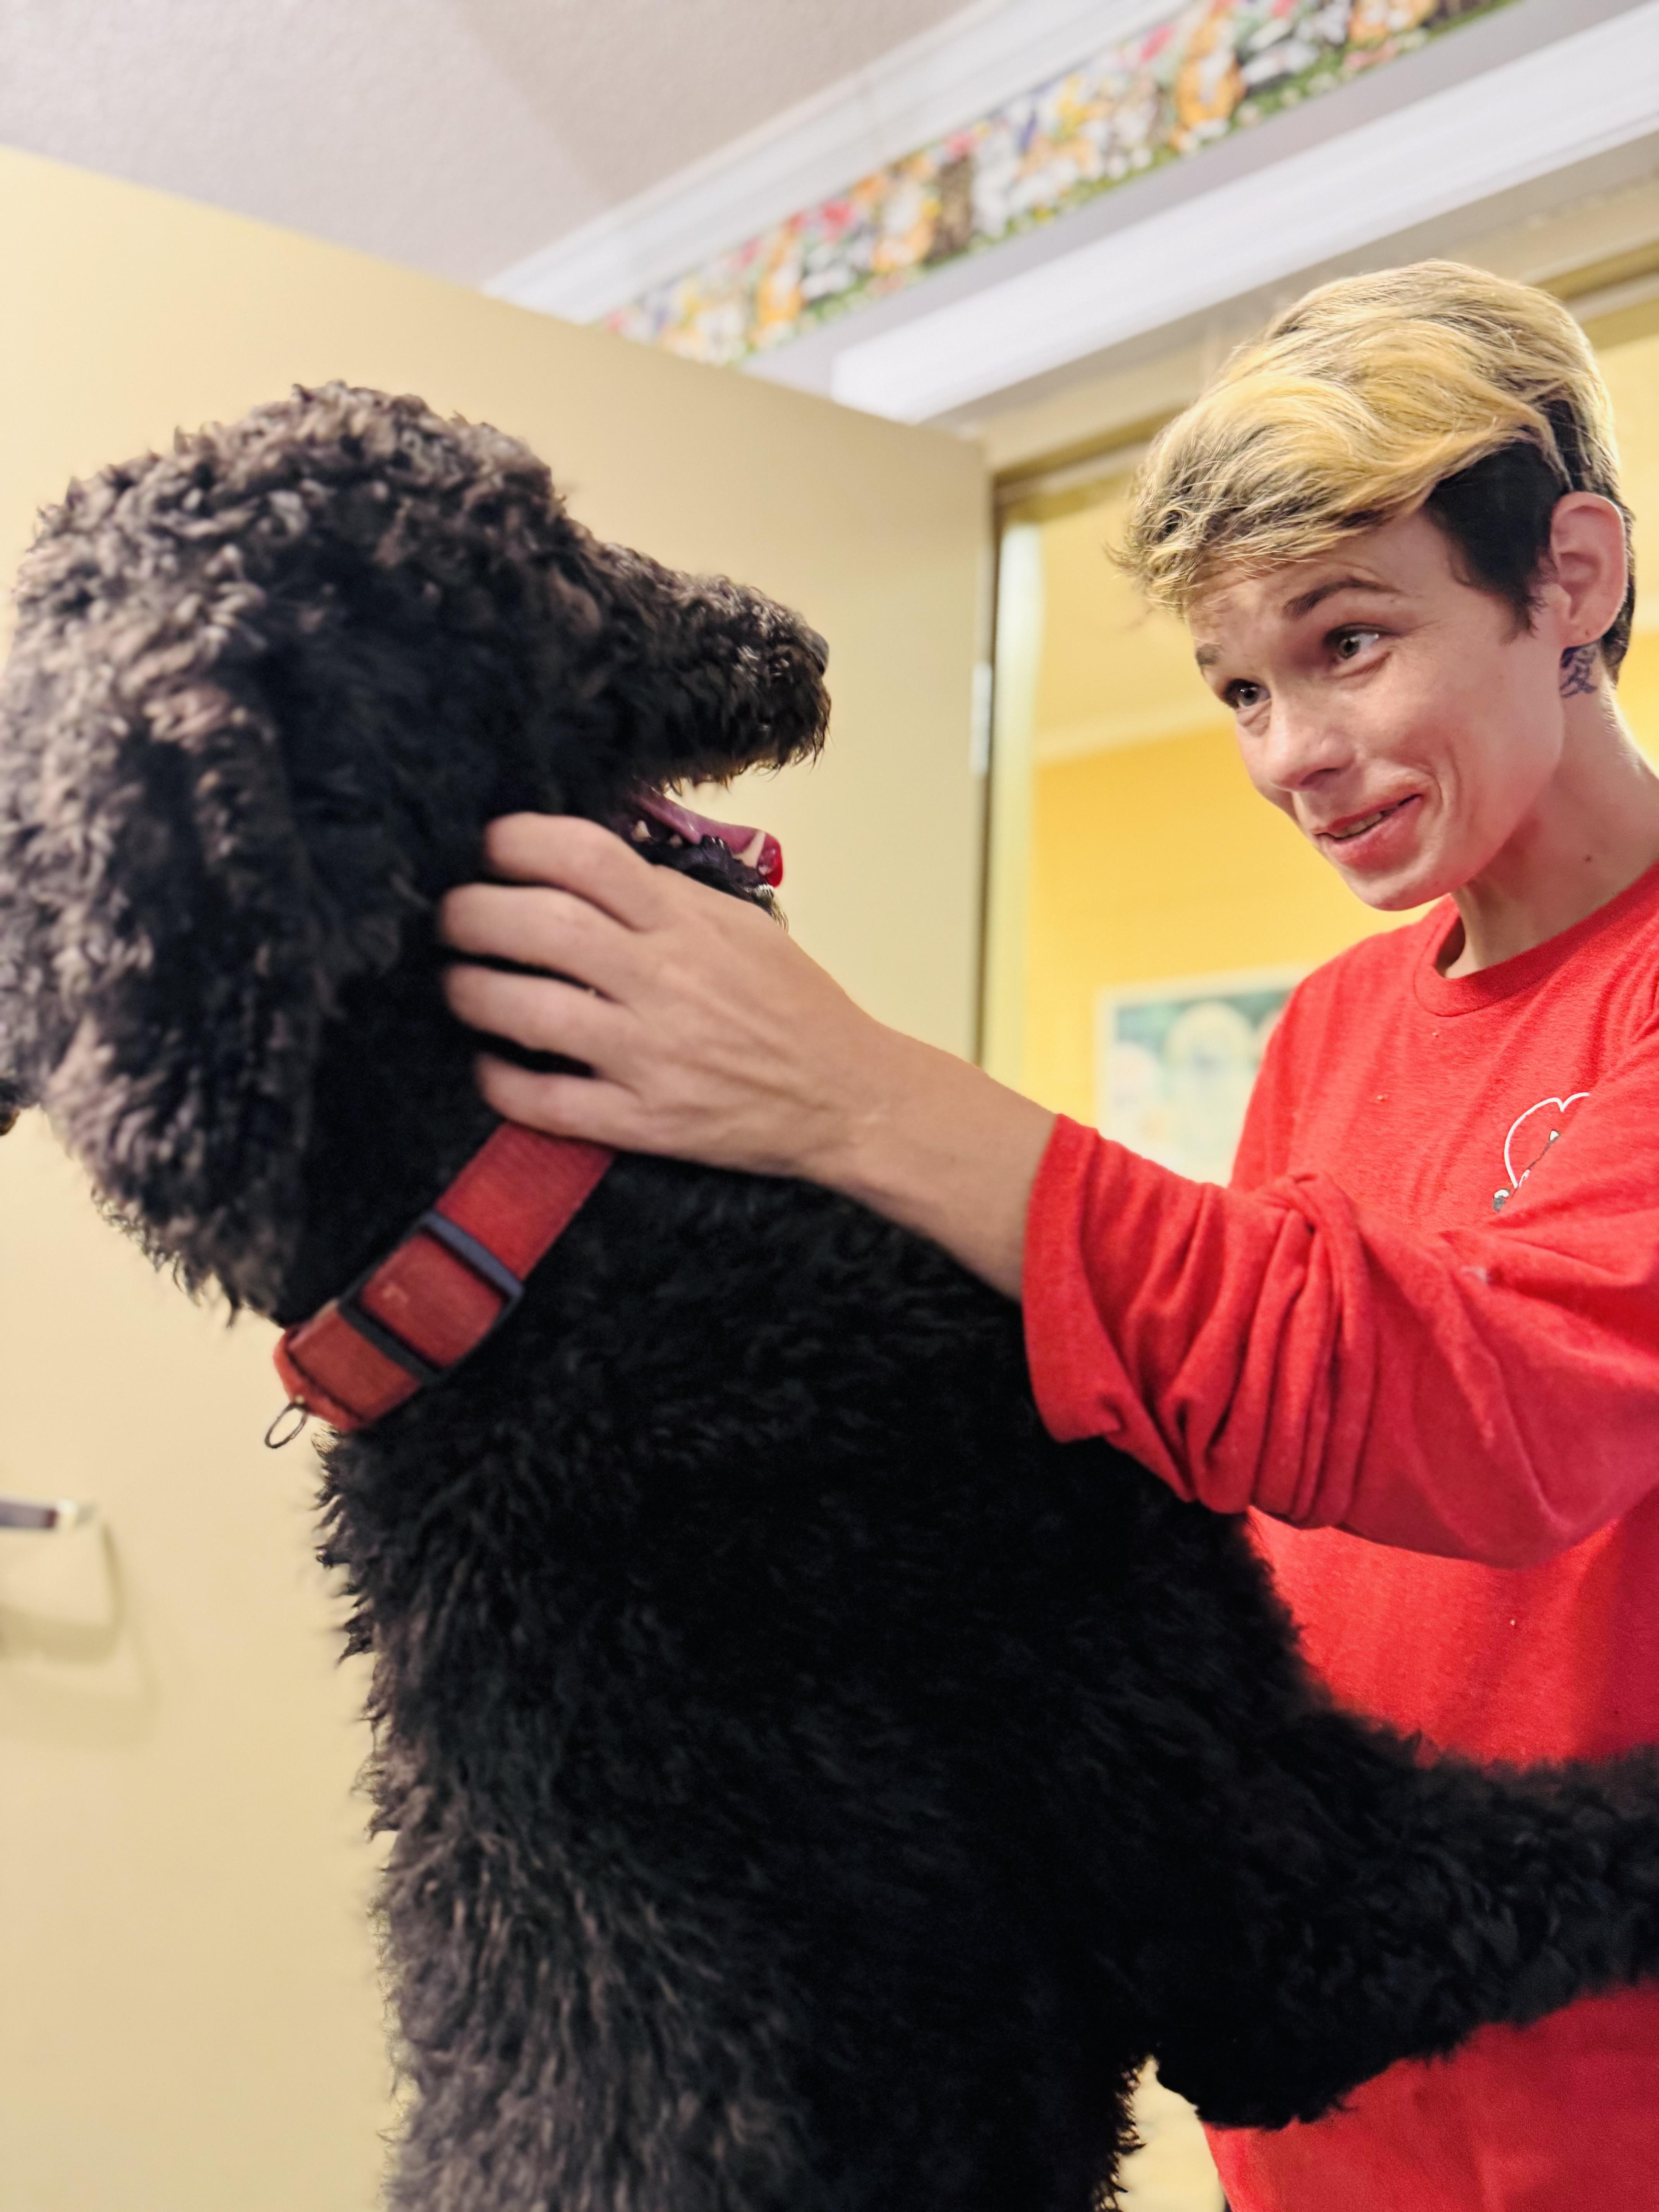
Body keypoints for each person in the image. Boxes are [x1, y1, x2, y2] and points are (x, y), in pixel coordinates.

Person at [438, 262, 1659, 2209]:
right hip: (1336, 2089)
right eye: (1242, 687)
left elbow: (1500, 1412)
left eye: (1351, 643)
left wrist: (857, 1094)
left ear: (1570, 578)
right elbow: (1247, 1444)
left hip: (1608, 2087)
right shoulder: (1341, 1023)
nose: (1289, 755)